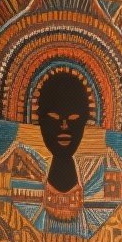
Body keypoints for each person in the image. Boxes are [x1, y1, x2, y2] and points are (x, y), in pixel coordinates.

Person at [36, 72, 90, 220]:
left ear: (85, 121)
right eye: (54, 118)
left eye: (73, 118)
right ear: (40, 121)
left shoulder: (96, 175)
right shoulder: (26, 165)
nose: (64, 125)